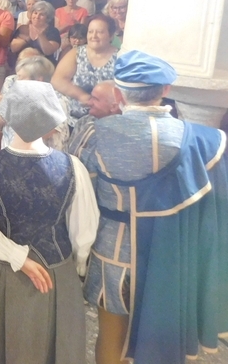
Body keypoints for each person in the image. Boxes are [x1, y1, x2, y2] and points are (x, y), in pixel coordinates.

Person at [80, 51, 228, 364]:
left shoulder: (92, 135)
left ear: (118, 94)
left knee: (110, 339)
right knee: (162, 342)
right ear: (165, 91)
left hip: (112, 257)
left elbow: (80, 198)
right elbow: (214, 216)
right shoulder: (206, 142)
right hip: (172, 260)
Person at [0, 80, 98, 364]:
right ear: (51, 123)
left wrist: (16, 256)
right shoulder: (74, 168)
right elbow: (84, 234)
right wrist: (77, 268)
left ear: (9, 115)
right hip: (55, 273)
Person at [0, 55, 69, 150]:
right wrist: (4, 107)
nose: (17, 82)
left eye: (21, 78)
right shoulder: (13, 96)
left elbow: (38, 136)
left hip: (43, 160)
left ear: (38, 80)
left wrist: (10, 107)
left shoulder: (57, 100)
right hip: (8, 156)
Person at [51, 15, 118, 119]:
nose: (94, 36)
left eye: (99, 32)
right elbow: (57, 80)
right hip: (71, 114)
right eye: (90, 32)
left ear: (111, 36)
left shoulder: (120, 58)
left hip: (104, 118)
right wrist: (82, 96)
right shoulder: (77, 52)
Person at [64, 80, 119, 157]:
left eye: (95, 99)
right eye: (91, 97)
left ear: (113, 107)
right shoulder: (84, 122)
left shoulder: (123, 130)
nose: (89, 103)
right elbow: (71, 157)